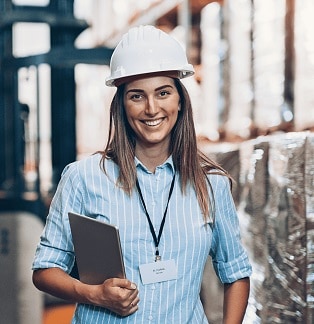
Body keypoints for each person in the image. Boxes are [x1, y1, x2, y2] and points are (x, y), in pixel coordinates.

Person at [32, 25, 252, 323]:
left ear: (180, 101)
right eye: (137, 96)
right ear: (121, 105)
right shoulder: (83, 177)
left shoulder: (211, 184)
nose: (152, 108)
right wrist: (94, 294)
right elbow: (45, 270)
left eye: (163, 93)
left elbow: (236, 273)